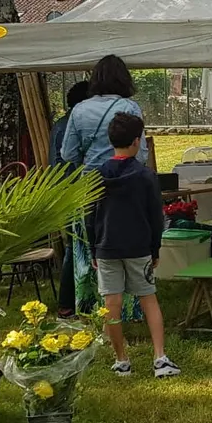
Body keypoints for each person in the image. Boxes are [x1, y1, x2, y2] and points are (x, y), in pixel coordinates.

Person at [87, 112, 179, 379]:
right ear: (137, 141)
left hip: (106, 247)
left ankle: (121, 360)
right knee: (148, 298)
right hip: (139, 247)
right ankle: (160, 358)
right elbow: (155, 216)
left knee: (111, 303)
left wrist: (94, 247)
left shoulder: (97, 175)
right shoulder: (146, 176)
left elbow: (89, 215)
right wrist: (155, 248)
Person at [61, 55, 145, 318]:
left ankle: (89, 308)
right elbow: (140, 154)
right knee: (126, 245)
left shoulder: (79, 110)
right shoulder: (130, 108)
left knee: (88, 248)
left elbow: (68, 154)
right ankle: (131, 307)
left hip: (90, 186)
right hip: (126, 185)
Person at [51, 81, 91, 317]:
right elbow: (71, 159)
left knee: (74, 246)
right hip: (74, 190)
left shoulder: (60, 124)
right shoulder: (72, 125)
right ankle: (68, 303)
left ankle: (74, 301)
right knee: (75, 247)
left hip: (62, 190)